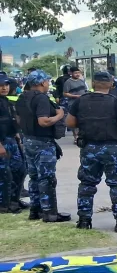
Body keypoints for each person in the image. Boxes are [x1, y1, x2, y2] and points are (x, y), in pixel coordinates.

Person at [66, 71, 117, 232]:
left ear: (92, 84)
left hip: (89, 148)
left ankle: (84, 220)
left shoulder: (81, 101)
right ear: (111, 85)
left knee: (87, 183)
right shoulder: (116, 102)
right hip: (112, 148)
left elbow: (70, 122)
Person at [15, 71, 70, 222]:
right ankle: (49, 213)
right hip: (43, 142)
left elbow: (19, 120)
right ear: (41, 83)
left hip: (29, 141)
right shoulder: (42, 99)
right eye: (46, 80)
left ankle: (35, 210)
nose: (48, 83)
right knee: (47, 178)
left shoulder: (22, 97)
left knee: (34, 178)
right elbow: (43, 122)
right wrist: (59, 115)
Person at [0, 78, 27, 213]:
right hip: (2, 142)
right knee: (4, 175)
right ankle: (4, 205)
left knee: (20, 170)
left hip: (11, 139)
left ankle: (14, 200)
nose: (4, 88)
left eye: (5, 85)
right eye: (0, 86)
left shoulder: (6, 101)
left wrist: (16, 133)